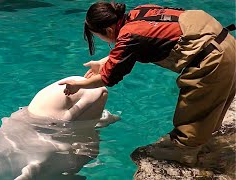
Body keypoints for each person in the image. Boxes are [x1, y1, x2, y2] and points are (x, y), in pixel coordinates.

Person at [58, 1, 236, 166]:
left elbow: (108, 78)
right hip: (226, 43)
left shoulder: (128, 37)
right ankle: (204, 139)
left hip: (213, 59)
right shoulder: (139, 12)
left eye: (99, 36)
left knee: (195, 106)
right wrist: (103, 63)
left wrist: (78, 86)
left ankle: (186, 152)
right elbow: (141, 43)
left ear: (109, 30)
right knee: (213, 103)